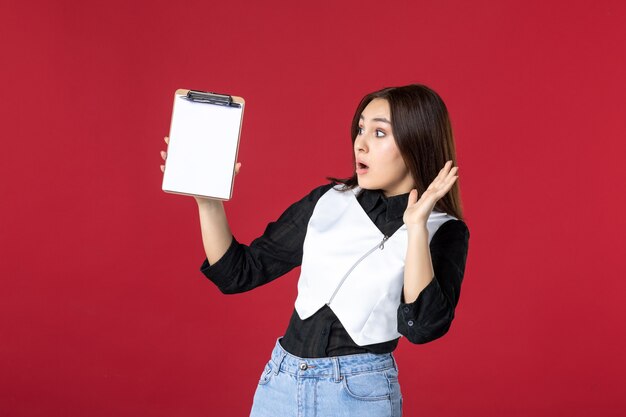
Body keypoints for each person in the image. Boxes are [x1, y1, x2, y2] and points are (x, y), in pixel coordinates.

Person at [160, 84, 470, 417]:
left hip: (359, 395)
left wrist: (416, 227)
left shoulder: (442, 230)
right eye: (361, 128)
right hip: (281, 384)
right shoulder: (328, 200)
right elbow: (239, 273)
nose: (360, 143)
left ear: (416, 143)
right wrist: (208, 202)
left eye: (379, 133)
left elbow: (422, 328)